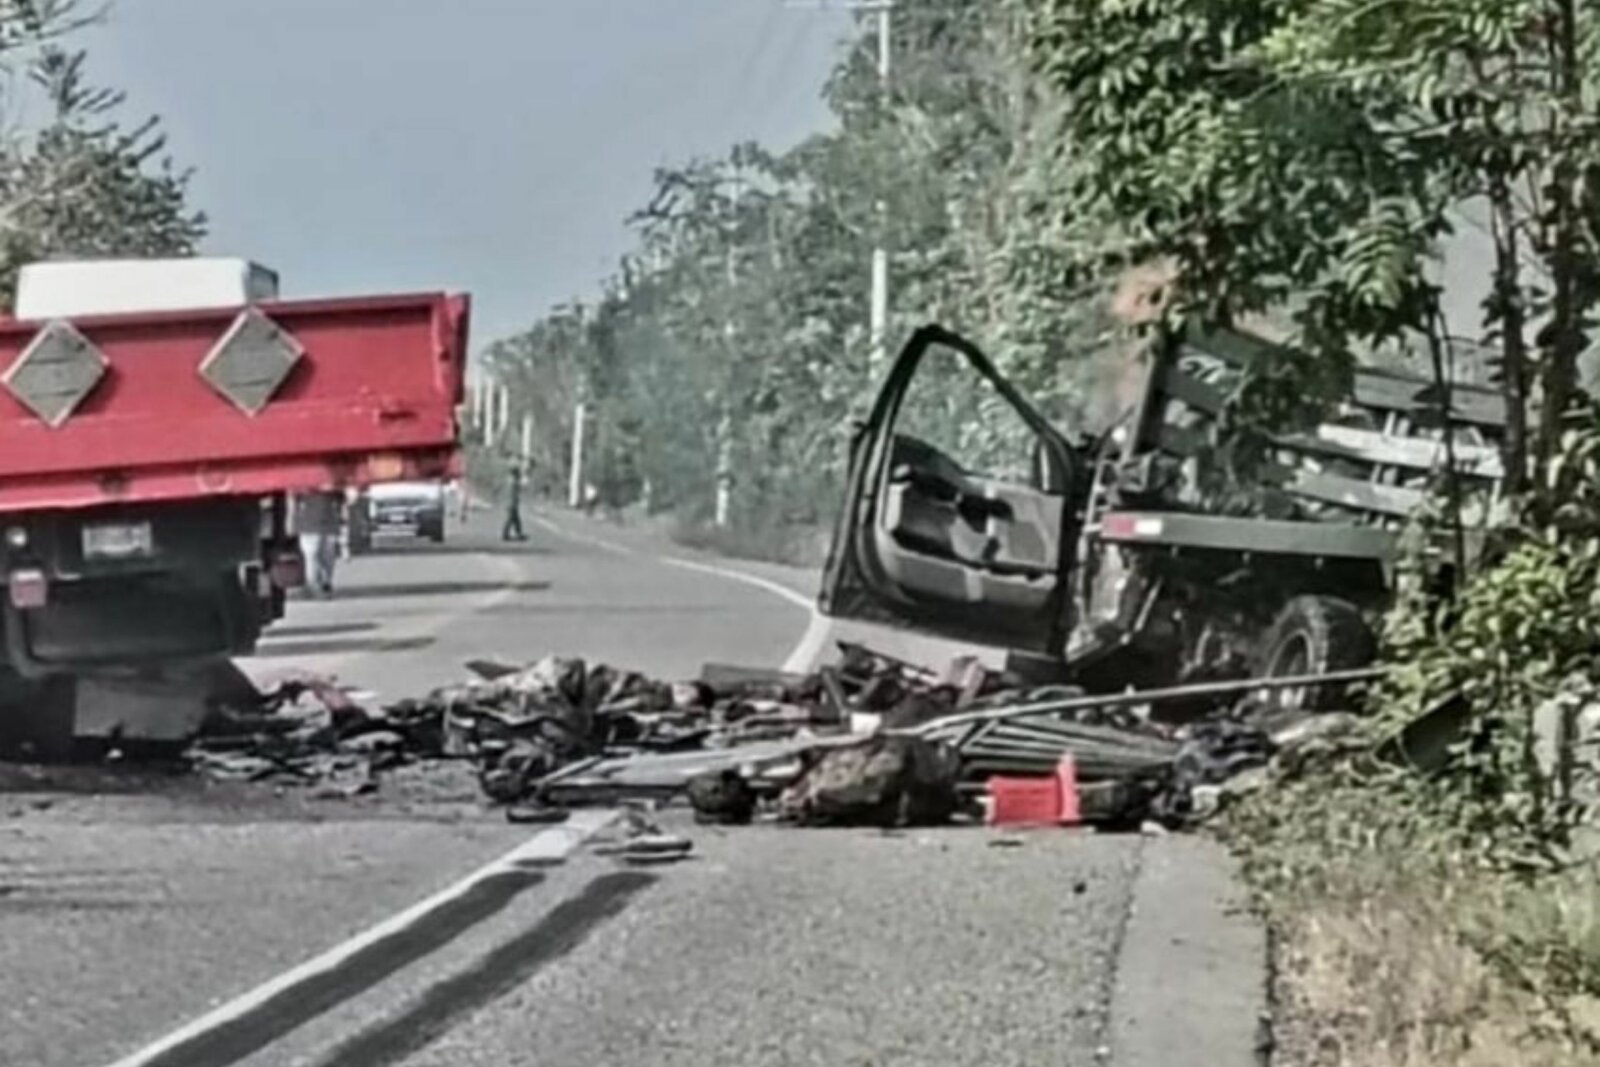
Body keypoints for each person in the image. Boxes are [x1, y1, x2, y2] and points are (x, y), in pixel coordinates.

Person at [295, 489, 344, 596]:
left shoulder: (302, 486)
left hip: (315, 525)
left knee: (317, 556)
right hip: (319, 525)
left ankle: (319, 583)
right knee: (319, 556)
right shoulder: (331, 486)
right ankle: (319, 583)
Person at [502, 460, 527, 541]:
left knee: (516, 519)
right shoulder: (513, 481)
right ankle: (506, 534)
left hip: (511, 502)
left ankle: (518, 533)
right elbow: (519, 489)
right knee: (511, 518)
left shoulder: (510, 480)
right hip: (511, 502)